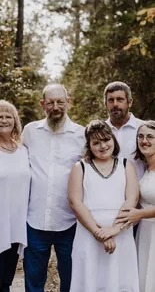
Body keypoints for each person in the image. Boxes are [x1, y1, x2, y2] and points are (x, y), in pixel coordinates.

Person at [22, 83, 85, 292]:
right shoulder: (30, 131)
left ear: (68, 102)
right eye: (50, 102)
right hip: (35, 220)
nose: (55, 107)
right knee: (33, 278)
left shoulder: (81, 134)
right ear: (42, 104)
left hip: (69, 221)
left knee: (71, 277)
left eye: (60, 101)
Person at [68, 119, 140, 292]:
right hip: (89, 234)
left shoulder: (126, 165)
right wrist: (100, 233)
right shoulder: (80, 167)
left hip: (121, 234)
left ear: (113, 139)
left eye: (106, 140)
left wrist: (114, 230)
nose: (103, 146)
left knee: (119, 280)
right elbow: (75, 202)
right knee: (90, 280)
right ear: (89, 145)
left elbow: (132, 198)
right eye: (96, 142)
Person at [116, 120, 155, 292]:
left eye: (150, 137)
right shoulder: (146, 167)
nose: (144, 140)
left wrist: (140, 214)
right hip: (145, 233)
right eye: (140, 136)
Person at [0, 100, 31, 292]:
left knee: (6, 280)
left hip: (15, 226)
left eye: (8, 116)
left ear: (15, 120)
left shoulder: (23, 150)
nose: (3, 120)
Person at [104, 81, 144, 180]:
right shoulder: (100, 132)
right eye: (111, 100)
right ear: (105, 104)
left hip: (140, 193)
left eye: (120, 99)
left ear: (130, 102)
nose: (115, 104)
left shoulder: (145, 129)